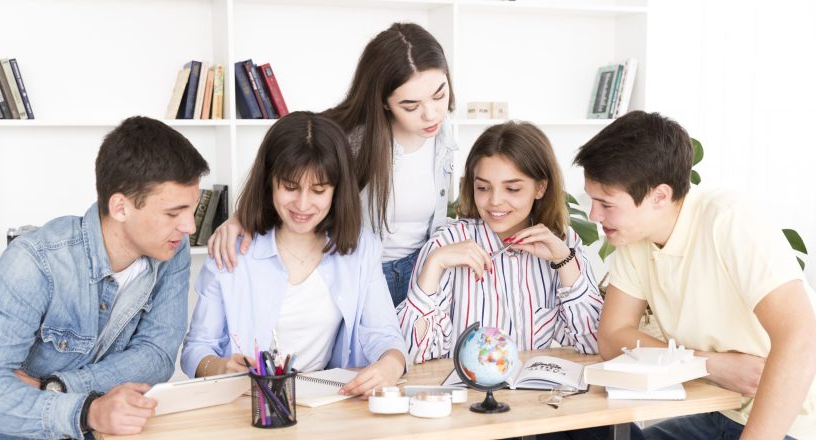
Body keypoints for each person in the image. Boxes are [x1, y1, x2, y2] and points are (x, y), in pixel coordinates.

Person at [0, 116, 210, 439]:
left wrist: (57, 387)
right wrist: (87, 411)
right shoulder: (34, 262)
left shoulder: (173, 249)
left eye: (192, 209)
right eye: (173, 213)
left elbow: (157, 357)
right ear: (120, 207)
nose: (189, 226)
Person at [574, 111, 816, 439]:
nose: (593, 215)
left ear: (659, 196)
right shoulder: (635, 239)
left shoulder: (729, 220)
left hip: (783, 425)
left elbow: (801, 337)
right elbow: (613, 336)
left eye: (606, 204)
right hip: (715, 414)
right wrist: (707, 365)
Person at [208, 22, 459, 306]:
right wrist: (240, 219)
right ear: (384, 102)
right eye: (411, 106)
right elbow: (287, 179)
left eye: (440, 94)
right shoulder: (348, 138)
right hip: (361, 272)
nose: (431, 114)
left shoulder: (444, 134)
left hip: (424, 271)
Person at [181, 112, 406, 396]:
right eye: (289, 187)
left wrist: (391, 364)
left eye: (318, 190)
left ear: (337, 190)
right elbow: (196, 349)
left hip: (327, 406)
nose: (302, 204)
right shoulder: (232, 248)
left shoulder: (361, 249)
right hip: (248, 408)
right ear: (269, 182)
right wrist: (220, 368)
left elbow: (385, 334)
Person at [396, 121, 602, 362]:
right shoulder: (447, 243)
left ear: (540, 188)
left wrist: (564, 262)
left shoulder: (563, 243)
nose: (494, 201)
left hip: (533, 397)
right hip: (466, 395)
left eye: (512, 189)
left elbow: (593, 343)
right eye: (483, 187)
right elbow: (411, 353)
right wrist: (434, 264)